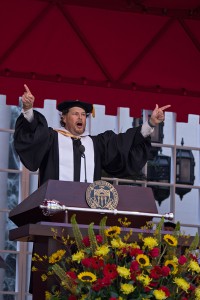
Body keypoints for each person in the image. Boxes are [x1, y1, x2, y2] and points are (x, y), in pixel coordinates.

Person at [14, 84, 171, 186]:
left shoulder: (96, 144)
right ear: (63, 117)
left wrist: (150, 123)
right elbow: (32, 132)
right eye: (75, 114)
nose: (81, 117)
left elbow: (125, 143)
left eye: (83, 114)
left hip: (87, 211)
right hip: (53, 209)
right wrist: (28, 109)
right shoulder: (51, 138)